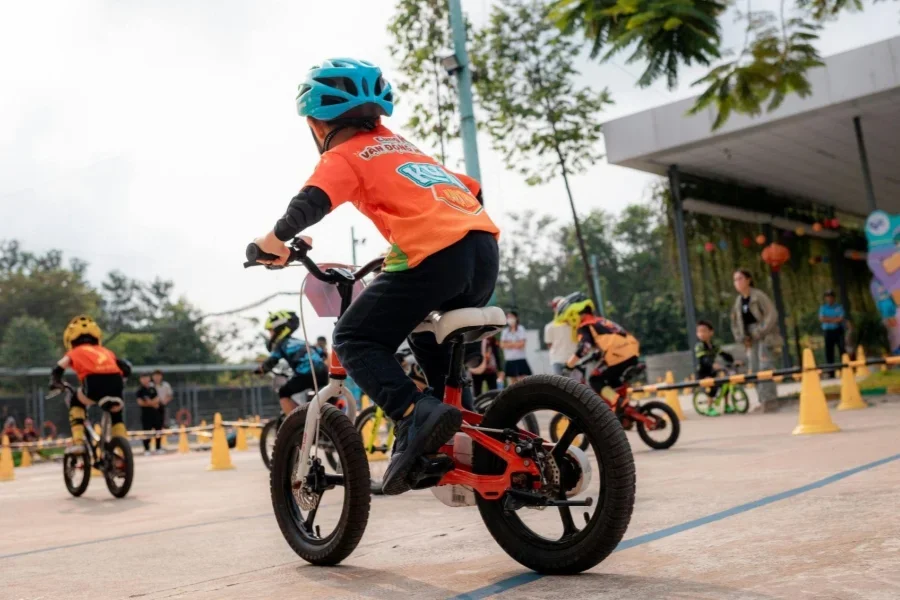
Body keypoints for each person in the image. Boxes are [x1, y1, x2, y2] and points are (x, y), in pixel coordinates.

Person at [250, 58, 499, 495]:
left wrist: (272, 243)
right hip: (482, 248)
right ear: (377, 113)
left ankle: (413, 414)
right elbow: (471, 189)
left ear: (315, 122)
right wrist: (405, 242)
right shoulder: (403, 146)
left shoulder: (344, 154)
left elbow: (309, 204)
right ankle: (470, 435)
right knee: (426, 332)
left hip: (435, 255)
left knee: (354, 339)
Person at [50, 316, 130, 455]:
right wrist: (122, 381)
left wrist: (56, 382)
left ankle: (78, 441)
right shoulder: (106, 351)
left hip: (94, 384)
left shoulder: (75, 352)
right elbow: (125, 367)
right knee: (116, 412)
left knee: (76, 400)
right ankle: (122, 449)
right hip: (116, 383)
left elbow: (58, 367)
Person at [555, 292, 640, 410]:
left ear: (574, 314)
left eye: (568, 320)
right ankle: (624, 408)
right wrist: (594, 356)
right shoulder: (600, 321)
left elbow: (585, 346)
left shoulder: (585, 325)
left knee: (595, 379)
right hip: (632, 354)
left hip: (618, 357)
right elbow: (606, 344)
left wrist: (569, 365)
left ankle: (617, 401)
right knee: (611, 379)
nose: (569, 324)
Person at [255, 310, 328, 416]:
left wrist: (260, 370)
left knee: (283, 392)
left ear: (279, 329)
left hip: (306, 373)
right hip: (323, 371)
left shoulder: (282, 344)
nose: (270, 335)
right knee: (318, 400)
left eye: (270, 331)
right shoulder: (300, 342)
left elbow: (271, 361)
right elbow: (322, 353)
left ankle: (298, 424)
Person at [730, 269, 781, 406]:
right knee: (754, 367)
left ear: (748, 280)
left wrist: (760, 330)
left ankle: (770, 400)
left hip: (764, 335)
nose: (737, 282)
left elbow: (771, 314)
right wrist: (740, 336)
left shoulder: (758, 296)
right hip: (749, 338)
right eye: (735, 279)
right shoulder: (738, 301)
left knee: (765, 366)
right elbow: (735, 322)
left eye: (740, 278)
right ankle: (762, 400)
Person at [694, 320, 736, 416]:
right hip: (703, 372)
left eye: (704, 331)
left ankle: (727, 405)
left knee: (725, 384)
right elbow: (703, 359)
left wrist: (733, 361)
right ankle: (709, 408)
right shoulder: (699, 346)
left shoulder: (714, 345)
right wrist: (712, 364)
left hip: (712, 371)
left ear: (711, 332)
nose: (701, 334)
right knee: (712, 387)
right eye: (699, 332)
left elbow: (723, 354)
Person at [545, 296, 577, 376]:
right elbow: (549, 345)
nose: (557, 308)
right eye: (555, 306)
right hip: (558, 361)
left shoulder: (575, 325)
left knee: (576, 387)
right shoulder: (549, 327)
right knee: (560, 387)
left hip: (574, 360)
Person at [819, 290, 846, 377]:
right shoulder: (823, 308)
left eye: (831, 296)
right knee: (829, 352)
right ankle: (831, 372)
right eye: (827, 296)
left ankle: (845, 370)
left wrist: (828, 319)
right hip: (828, 332)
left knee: (842, 349)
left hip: (838, 330)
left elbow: (840, 319)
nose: (829, 298)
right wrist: (834, 319)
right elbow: (822, 319)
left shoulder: (839, 307)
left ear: (833, 298)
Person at [501, 311, 531, 384]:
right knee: (512, 383)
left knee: (523, 381)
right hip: (509, 359)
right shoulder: (505, 331)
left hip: (520, 358)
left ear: (516, 318)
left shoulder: (521, 329)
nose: (509, 319)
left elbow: (522, 344)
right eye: (508, 317)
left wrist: (509, 344)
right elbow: (502, 345)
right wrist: (516, 344)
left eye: (511, 317)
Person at [136, 373, 160, 455]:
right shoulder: (140, 390)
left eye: (146, 378)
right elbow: (140, 402)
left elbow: (157, 399)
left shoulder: (153, 388)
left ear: (149, 379)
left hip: (155, 413)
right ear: (140, 380)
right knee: (146, 432)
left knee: (158, 430)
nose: (145, 380)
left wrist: (150, 402)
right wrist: (152, 404)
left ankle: (158, 447)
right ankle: (147, 449)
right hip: (145, 414)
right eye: (143, 378)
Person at [152, 369, 173, 445]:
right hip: (151, 408)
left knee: (160, 426)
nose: (157, 377)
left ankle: (158, 446)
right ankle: (147, 447)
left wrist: (164, 402)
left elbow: (170, 395)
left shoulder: (166, 385)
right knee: (150, 427)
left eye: (158, 375)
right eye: (155, 375)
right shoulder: (150, 385)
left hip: (161, 407)